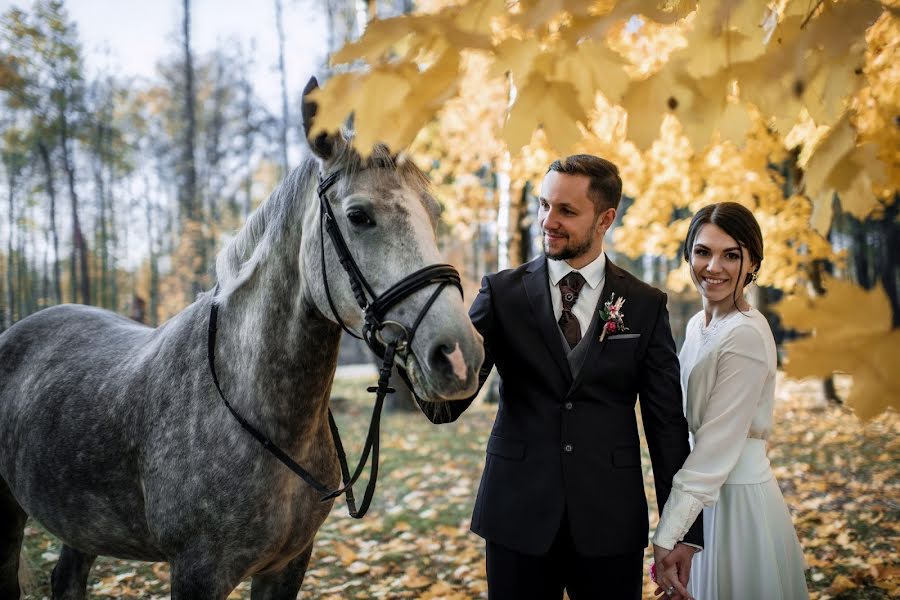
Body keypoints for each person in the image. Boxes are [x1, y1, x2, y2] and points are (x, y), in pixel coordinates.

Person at [417, 155, 702, 599]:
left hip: (610, 520)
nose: (548, 221)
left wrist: (682, 530)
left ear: (606, 218)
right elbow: (446, 406)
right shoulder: (501, 293)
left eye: (567, 211)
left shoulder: (644, 304)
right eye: (544, 206)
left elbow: (666, 426)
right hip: (516, 516)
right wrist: (415, 354)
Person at [651, 202, 809, 599]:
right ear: (689, 254)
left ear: (753, 261)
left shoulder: (745, 336)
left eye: (731, 255)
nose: (713, 267)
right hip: (702, 500)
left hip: (736, 503)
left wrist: (670, 533)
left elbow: (715, 448)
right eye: (703, 252)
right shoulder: (697, 325)